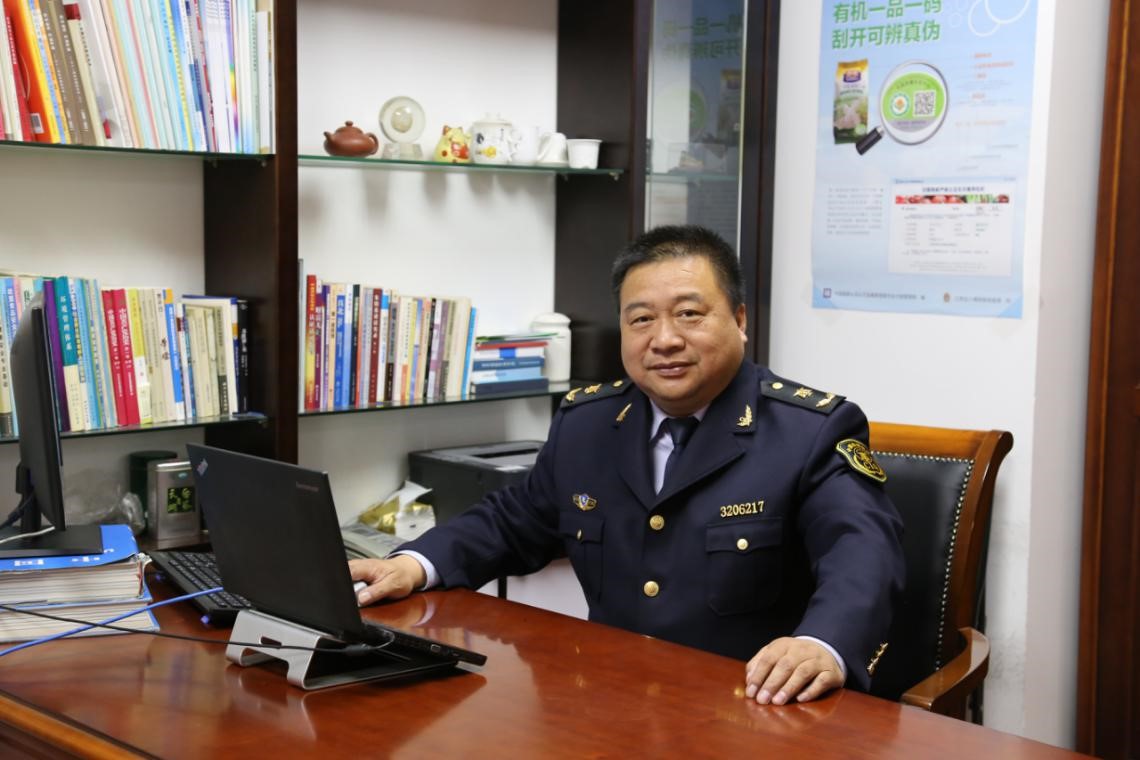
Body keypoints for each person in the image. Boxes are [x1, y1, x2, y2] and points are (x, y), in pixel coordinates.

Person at [350, 224, 904, 705]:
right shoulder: (588, 422)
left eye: (689, 314)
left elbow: (863, 552)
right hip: (609, 697)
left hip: (751, 705)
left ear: (739, 319)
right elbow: (512, 520)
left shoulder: (810, 430)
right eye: (641, 320)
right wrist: (414, 564)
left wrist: (822, 643)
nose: (664, 340)